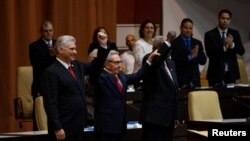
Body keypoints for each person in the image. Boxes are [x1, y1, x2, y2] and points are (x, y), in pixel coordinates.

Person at [89, 32, 160, 141]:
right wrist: (103, 46)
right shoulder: (99, 76)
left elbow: (138, 75)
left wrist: (149, 60)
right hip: (106, 127)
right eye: (116, 62)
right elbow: (96, 68)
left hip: (120, 125)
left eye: (120, 62)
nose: (119, 65)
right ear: (106, 63)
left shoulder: (121, 75)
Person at [40, 35, 109, 141]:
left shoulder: (77, 65)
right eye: (72, 49)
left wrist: (103, 46)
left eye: (75, 49)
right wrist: (57, 127)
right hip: (63, 128)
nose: (75, 52)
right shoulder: (51, 72)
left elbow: (95, 67)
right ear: (60, 49)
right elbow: (50, 103)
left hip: (78, 125)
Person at [140, 36, 179, 141]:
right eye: (168, 48)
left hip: (168, 118)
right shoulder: (149, 59)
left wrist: (175, 115)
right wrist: (168, 42)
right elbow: (158, 60)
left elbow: (173, 90)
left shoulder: (171, 63)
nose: (170, 50)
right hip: (154, 118)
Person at [204, 9, 245, 87]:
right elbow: (210, 53)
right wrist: (224, 48)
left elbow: (241, 51)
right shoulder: (209, 34)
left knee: (230, 98)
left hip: (231, 74)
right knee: (216, 98)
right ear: (218, 18)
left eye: (227, 19)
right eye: (223, 18)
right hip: (215, 74)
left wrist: (232, 44)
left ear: (230, 20)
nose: (225, 21)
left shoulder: (235, 33)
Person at [28, 20, 56, 131]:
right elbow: (36, 64)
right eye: (46, 31)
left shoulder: (58, 43)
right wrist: (50, 55)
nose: (49, 33)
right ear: (41, 32)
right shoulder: (34, 46)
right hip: (41, 85)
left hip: (55, 84)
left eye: (50, 30)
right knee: (39, 119)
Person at [171, 18, 207, 88]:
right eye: (186, 28)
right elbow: (174, 61)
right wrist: (190, 56)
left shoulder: (197, 42)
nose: (188, 30)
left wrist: (195, 56)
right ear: (181, 28)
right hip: (181, 81)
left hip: (195, 80)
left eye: (190, 28)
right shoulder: (174, 43)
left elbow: (203, 60)